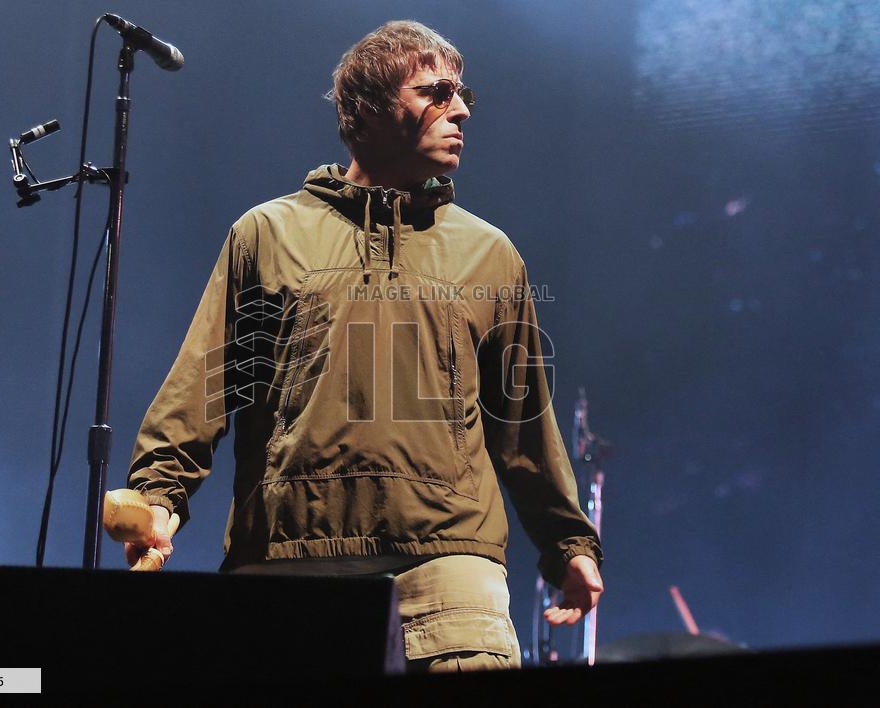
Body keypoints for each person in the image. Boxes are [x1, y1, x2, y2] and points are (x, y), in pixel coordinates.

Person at [125, 19, 603, 672]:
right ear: (369, 110)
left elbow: (522, 423)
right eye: (435, 93)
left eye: (461, 95)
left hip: (447, 571)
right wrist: (159, 496)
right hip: (287, 563)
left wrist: (569, 544)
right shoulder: (265, 236)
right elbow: (207, 384)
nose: (460, 109)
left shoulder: (490, 255)